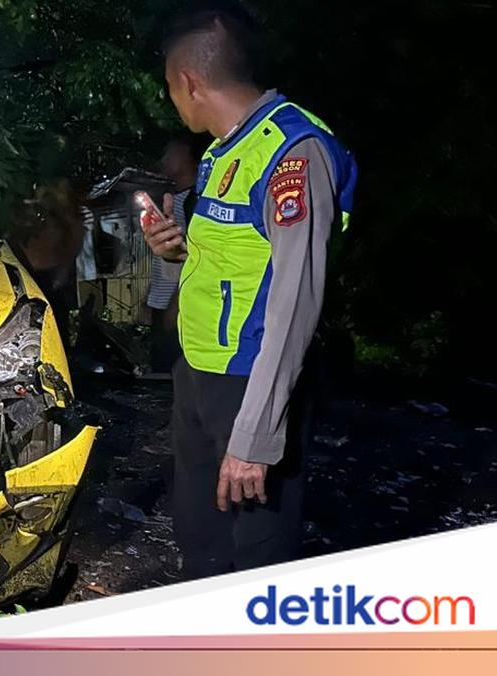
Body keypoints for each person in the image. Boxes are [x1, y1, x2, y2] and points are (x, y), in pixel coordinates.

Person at [140, 8, 357, 578]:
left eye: (170, 88)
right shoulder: (222, 153)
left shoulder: (292, 152)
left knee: (254, 554)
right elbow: (241, 261)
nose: (173, 101)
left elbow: (295, 299)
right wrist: (175, 250)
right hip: (202, 376)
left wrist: (256, 436)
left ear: (188, 82)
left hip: (252, 382)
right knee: (200, 539)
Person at [147, 134, 205, 373]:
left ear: (185, 152)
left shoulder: (196, 201)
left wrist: (176, 306)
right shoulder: (175, 200)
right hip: (164, 308)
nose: (162, 159)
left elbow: (197, 259)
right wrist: (151, 299)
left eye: (167, 152)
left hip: (179, 312)